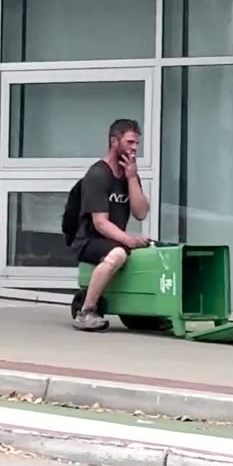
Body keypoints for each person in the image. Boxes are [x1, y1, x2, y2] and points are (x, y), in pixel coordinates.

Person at [71, 118, 150, 331]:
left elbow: (141, 212)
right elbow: (100, 223)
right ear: (114, 142)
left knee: (150, 251)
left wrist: (132, 178)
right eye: (130, 142)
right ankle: (86, 311)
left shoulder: (129, 173)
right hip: (89, 240)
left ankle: (148, 311)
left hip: (113, 240)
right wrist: (129, 241)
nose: (134, 149)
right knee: (118, 254)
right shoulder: (98, 174)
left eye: (136, 144)